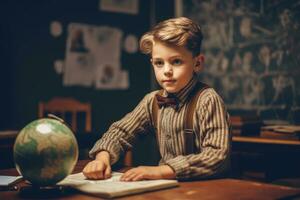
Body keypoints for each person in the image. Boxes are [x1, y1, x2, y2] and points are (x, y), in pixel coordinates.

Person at [83, 17, 231, 181]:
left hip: (204, 189)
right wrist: (102, 158)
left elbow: (217, 156)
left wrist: (161, 171)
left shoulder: (208, 100)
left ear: (197, 63)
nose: (167, 70)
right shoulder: (152, 101)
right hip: (167, 189)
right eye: (159, 63)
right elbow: (120, 133)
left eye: (176, 61)